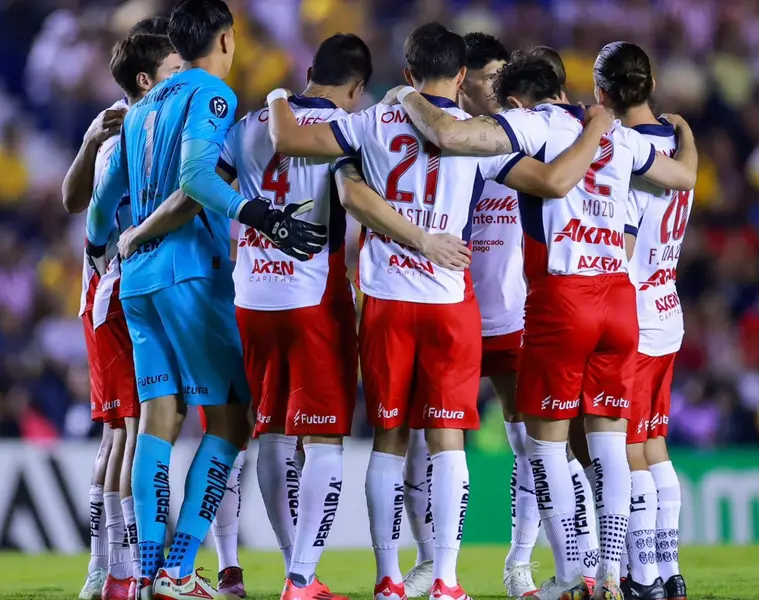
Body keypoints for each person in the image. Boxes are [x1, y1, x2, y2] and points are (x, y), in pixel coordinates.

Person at [266, 22, 607, 600]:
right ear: (461, 75)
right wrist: (595, 128)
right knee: (448, 442)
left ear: (407, 73)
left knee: (390, 440)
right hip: (449, 303)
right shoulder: (476, 139)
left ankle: (388, 578)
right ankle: (447, 579)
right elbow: (550, 181)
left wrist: (280, 98)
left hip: (385, 300)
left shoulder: (370, 121)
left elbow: (292, 141)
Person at [390, 44, 697, 600]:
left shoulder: (532, 125)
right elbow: (682, 176)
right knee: (609, 445)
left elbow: (454, 137)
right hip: (619, 300)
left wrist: (406, 96)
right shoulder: (616, 132)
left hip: (563, 297)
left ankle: (573, 573)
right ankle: (615, 574)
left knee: (547, 446)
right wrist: (687, 136)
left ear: (516, 100)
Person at [87, 1, 327, 599]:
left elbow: (100, 204)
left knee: (157, 423)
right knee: (231, 420)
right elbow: (197, 179)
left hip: (136, 282)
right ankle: (177, 567)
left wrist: (98, 251)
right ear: (225, 40)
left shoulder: (142, 108)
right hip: (191, 273)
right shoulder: (212, 95)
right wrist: (259, 214)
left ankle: (146, 574)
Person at [212, 32, 373, 600]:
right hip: (313, 300)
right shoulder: (347, 127)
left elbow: (211, 189)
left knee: (272, 434)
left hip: (251, 297)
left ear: (310, 73)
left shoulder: (248, 124)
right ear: (356, 87)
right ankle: (301, 576)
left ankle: (292, 569)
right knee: (323, 439)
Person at [64, 17, 177, 600]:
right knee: (133, 428)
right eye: (174, 68)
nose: (183, 77)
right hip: (116, 289)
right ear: (145, 78)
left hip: (107, 287)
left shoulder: (129, 123)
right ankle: (126, 570)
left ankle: (107, 569)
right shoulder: (127, 128)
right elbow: (82, 205)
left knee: (117, 434)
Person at [620, 65, 693, 600]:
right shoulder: (678, 150)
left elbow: (621, 250)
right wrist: (688, 131)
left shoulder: (630, 156)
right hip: (668, 310)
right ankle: (670, 573)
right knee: (654, 443)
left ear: (603, 92)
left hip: (637, 317)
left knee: (628, 449)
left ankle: (642, 577)